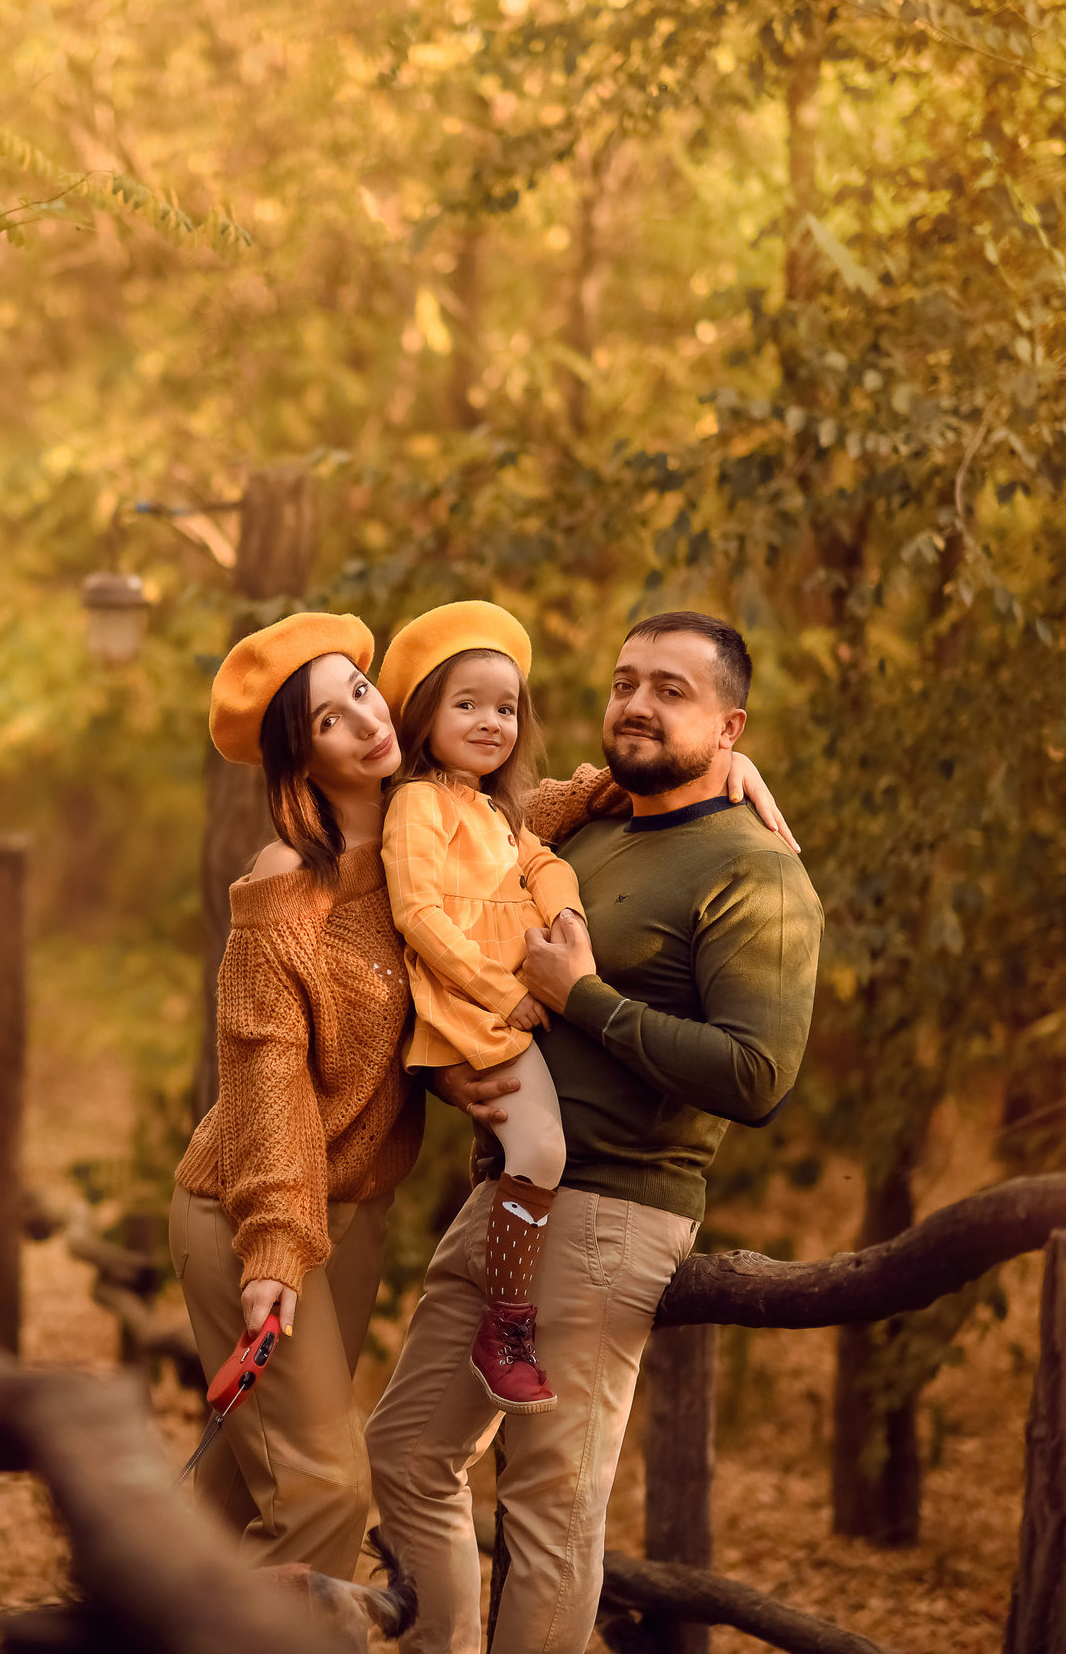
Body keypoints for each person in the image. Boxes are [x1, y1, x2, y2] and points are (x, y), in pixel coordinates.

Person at [365, 610, 823, 1654]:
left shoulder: (755, 872)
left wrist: (583, 997)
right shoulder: (587, 828)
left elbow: (756, 1076)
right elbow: (460, 938)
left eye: (671, 689)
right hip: (508, 1191)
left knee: (549, 1511)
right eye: (625, 682)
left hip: (615, 1214)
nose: (637, 704)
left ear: (730, 723)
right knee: (403, 1452)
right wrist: (457, 1083)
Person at [169, 611, 619, 1578]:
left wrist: (707, 769)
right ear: (300, 755)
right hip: (252, 1209)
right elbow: (267, 1075)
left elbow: (529, 823)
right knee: (327, 1490)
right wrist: (277, 1244)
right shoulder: (287, 887)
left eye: (362, 692)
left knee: (244, 1496)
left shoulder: (432, 812)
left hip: (355, 1210)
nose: (367, 722)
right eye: (331, 719)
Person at [372, 602, 583, 1417]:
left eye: (505, 707)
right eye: (467, 704)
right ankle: (507, 1324)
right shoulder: (418, 806)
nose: (490, 722)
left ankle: (501, 1297)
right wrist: (504, 995)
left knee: (525, 1148)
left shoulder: (498, 811)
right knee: (540, 1144)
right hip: (470, 1009)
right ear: (425, 715)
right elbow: (419, 917)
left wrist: (569, 917)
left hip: (510, 1002)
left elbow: (543, 860)